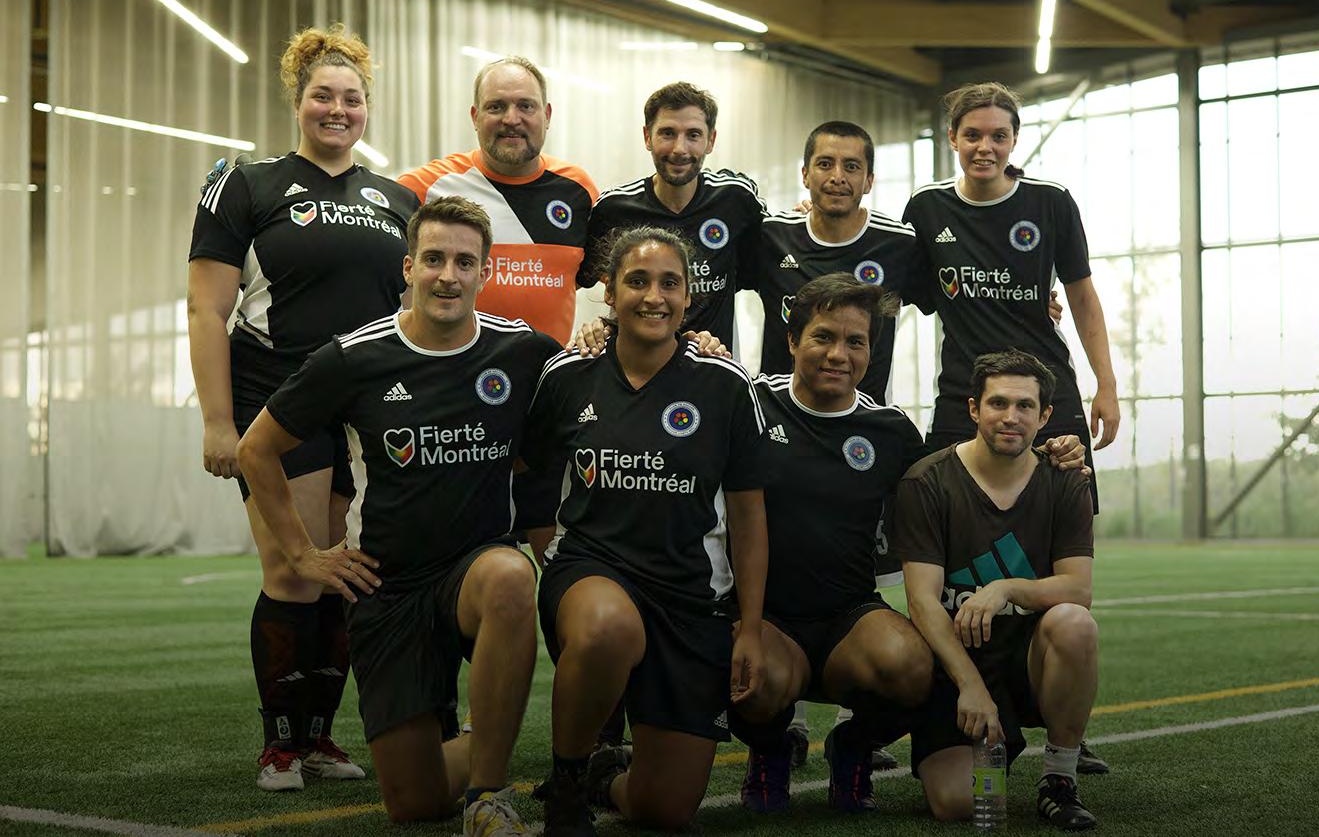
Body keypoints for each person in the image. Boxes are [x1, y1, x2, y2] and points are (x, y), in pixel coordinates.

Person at [235, 196, 558, 833]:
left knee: (511, 576)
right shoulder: (354, 357)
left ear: (486, 272)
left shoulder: (522, 351)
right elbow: (255, 450)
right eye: (433, 259)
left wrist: (679, 341)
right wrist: (303, 555)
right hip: (387, 587)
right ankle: (485, 737)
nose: (448, 275)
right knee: (414, 805)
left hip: (474, 570)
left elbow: (603, 385)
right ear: (408, 268)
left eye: (464, 262)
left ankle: (489, 796)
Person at [187, 24, 418, 791]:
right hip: (279, 397)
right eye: (323, 95)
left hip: (367, 410)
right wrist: (218, 421)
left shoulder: (398, 199)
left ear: (366, 106)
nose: (337, 109)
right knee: (295, 568)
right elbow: (205, 309)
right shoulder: (245, 185)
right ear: (297, 98)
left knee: (343, 572)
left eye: (351, 97)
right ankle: (280, 745)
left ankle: (318, 736)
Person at [521, 226, 770, 836]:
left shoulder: (726, 383)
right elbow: (530, 476)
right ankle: (567, 783)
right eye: (637, 281)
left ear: (689, 297)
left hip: (688, 598)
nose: (653, 296)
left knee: (665, 810)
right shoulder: (569, 374)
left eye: (669, 283)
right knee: (607, 626)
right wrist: (549, 557)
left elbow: (747, 514)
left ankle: (604, 775)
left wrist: (750, 626)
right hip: (592, 571)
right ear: (609, 292)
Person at [732, 274, 933, 815]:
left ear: (870, 351)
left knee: (913, 667)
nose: (838, 354)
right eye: (823, 336)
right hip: (764, 618)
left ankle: (853, 746)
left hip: (849, 617)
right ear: (792, 339)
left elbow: (958, 483)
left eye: (855, 342)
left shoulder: (890, 430)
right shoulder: (749, 403)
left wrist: (1050, 456)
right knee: (750, 679)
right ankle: (770, 747)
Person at [896, 349, 1100, 831]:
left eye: (1025, 406)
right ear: (974, 409)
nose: (1011, 417)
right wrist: (970, 686)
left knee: (1074, 622)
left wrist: (1006, 588)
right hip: (956, 661)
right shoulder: (928, 482)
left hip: (1028, 658)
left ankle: (1059, 779)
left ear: (1044, 416)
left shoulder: (1066, 481)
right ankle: (984, 748)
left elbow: (1078, 589)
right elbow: (922, 601)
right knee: (959, 805)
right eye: (998, 403)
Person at [902, 82, 1120, 504]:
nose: (985, 147)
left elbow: (1082, 297)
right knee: (946, 520)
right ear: (952, 137)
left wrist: (1106, 386)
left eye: (998, 136)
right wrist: (811, 217)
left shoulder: (1051, 201)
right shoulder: (927, 207)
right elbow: (898, 281)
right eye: (972, 135)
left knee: (1059, 522)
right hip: (963, 393)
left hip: (1045, 391)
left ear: (1014, 140)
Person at [398, 55, 599, 345]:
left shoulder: (579, 190)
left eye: (526, 106)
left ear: (547, 115)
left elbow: (594, 280)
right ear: (475, 117)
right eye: (496, 106)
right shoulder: (422, 188)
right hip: (451, 369)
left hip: (548, 370)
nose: (511, 119)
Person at [741, 121, 921, 405]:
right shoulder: (771, 235)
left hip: (864, 417)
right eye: (825, 164)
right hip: (778, 414)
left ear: (869, 180)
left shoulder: (900, 243)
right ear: (805, 175)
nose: (838, 177)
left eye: (851, 166)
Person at [586, 81, 768, 345]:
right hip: (633, 362)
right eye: (668, 133)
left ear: (710, 140)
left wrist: (809, 213)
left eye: (693, 135)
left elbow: (774, 263)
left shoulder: (737, 200)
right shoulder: (613, 208)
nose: (680, 149)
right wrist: (595, 328)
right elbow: (577, 278)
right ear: (647, 137)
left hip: (713, 360)